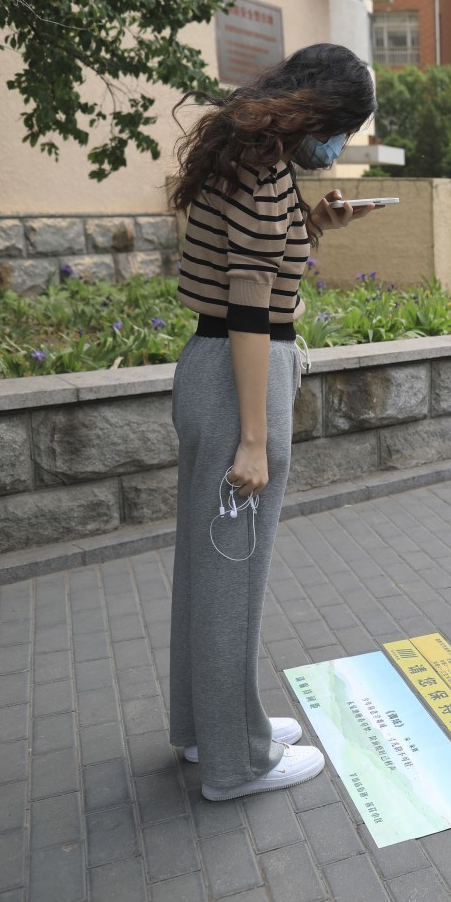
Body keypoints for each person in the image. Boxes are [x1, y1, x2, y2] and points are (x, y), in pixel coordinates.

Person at [167, 44, 383, 801]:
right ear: (320, 114)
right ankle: (238, 763)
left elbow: (251, 262)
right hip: (239, 384)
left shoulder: (245, 159)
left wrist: (316, 223)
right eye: (345, 129)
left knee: (205, 568)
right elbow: (252, 311)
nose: (342, 146)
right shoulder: (264, 177)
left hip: (208, 371)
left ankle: (203, 730)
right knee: (234, 579)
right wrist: (254, 440)